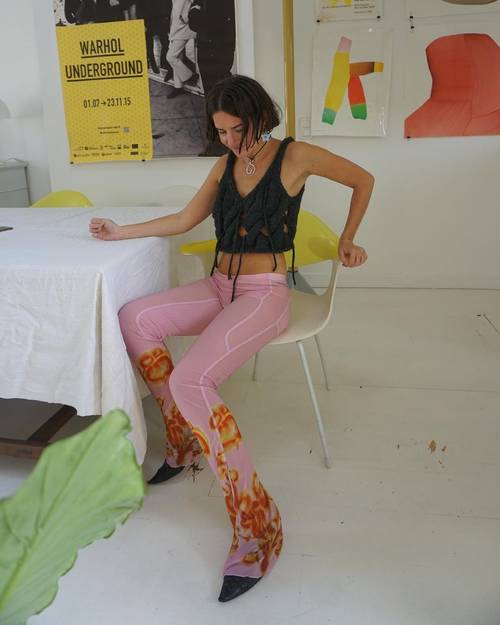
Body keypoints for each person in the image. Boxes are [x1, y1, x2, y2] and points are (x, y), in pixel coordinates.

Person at [89, 75, 373, 602]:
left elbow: (364, 179)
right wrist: (119, 232)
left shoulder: (294, 155)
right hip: (220, 286)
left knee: (192, 379)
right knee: (135, 318)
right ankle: (183, 439)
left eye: (236, 130)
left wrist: (348, 238)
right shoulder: (224, 165)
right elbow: (184, 219)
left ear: (259, 116)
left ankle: (256, 522)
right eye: (220, 132)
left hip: (265, 295)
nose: (229, 140)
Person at [166, 0, 199, 98]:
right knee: (177, 57)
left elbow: (196, 3)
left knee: (171, 57)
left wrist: (185, 18)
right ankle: (178, 87)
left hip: (182, 28)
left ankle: (190, 76)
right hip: (176, 28)